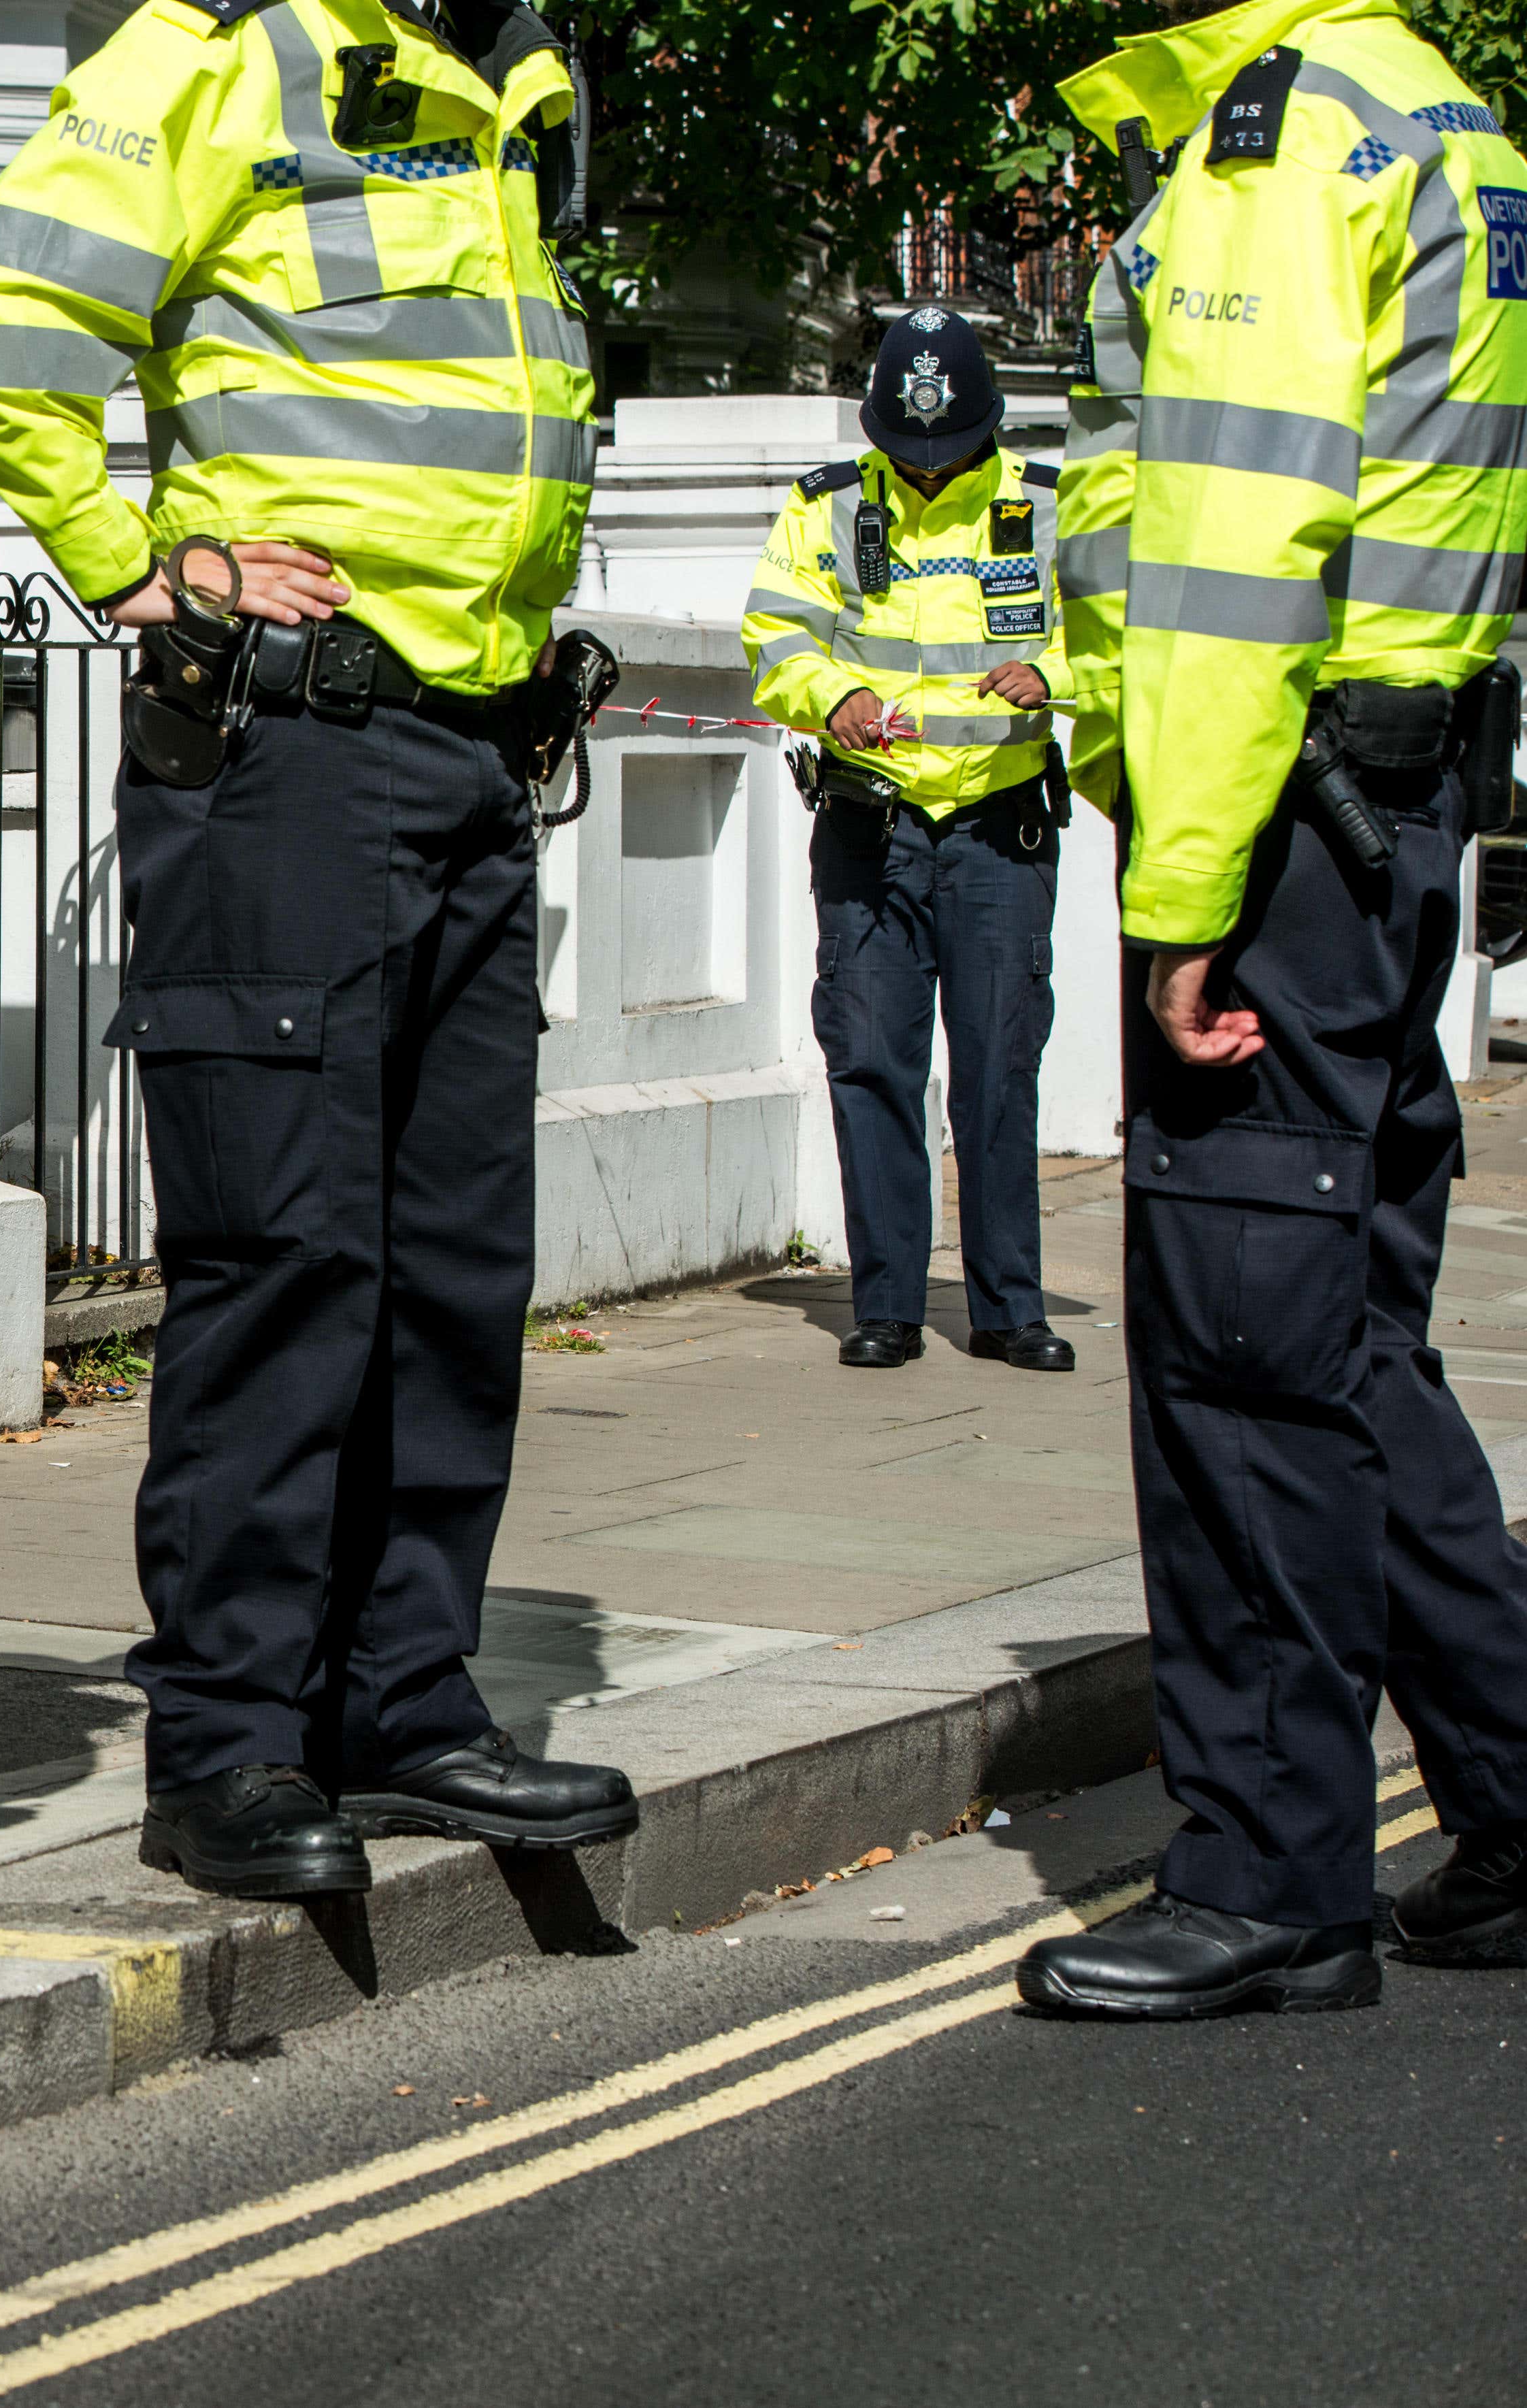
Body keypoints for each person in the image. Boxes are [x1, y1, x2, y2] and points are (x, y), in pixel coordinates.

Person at [0, 0, 635, 1898]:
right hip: (287, 753)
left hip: (471, 758)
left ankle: (401, 1700)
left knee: (447, 1263)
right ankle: (230, 1744)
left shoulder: (503, 91)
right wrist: (116, 555)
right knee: (285, 1255)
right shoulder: (212, 53)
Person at [1017, 0, 1527, 2017]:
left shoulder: (1280, 130)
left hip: (1283, 818)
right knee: (1340, 1344)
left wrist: (1182, 892)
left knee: (1237, 1354)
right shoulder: (1441, 112)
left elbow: (1233, 544)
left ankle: (1268, 1877)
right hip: (1392, 801)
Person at [743, 312, 1079, 1376]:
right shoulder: (828, 507)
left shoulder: (1049, 508)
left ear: (988, 427)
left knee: (996, 1071)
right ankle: (884, 1303)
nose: (928, 472)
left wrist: (1053, 675)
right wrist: (830, 693)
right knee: (876, 1065)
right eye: (909, 454)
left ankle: (1006, 1309)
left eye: (948, 453)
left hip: (998, 828)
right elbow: (775, 635)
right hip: (869, 827)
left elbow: (1112, 635)